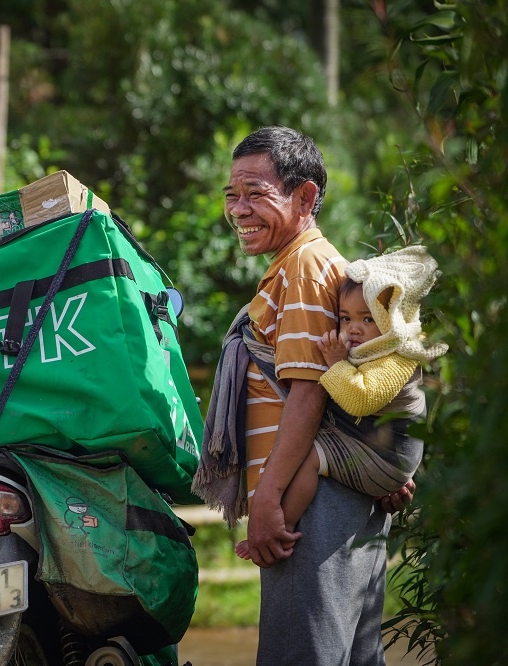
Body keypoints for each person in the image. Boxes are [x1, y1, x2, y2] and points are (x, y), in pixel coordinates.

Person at [192, 125, 416, 664]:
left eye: (255, 193)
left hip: (311, 505)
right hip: (327, 497)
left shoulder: (307, 266)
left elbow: (310, 390)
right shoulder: (295, 268)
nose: (239, 209)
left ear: (305, 197)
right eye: (232, 195)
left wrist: (269, 500)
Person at [233, 246, 447, 560]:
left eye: (368, 319)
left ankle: (278, 528)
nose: (353, 328)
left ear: (394, 320)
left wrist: (335, 365)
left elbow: (361, 398)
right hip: (377, 450)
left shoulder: (399, 356)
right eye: (345, 318)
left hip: (387, 458)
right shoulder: (370, 348)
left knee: (305, 456)